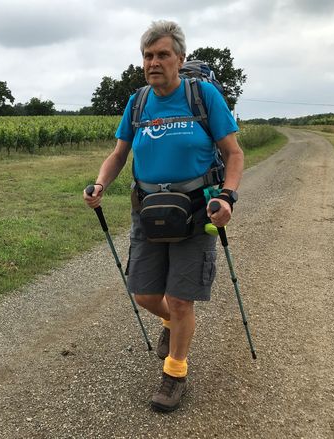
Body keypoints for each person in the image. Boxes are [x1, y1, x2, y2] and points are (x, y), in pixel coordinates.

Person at [83, 20, 243, 412]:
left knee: (181, 298)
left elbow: (235, 153)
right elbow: (119, 153)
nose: (154, 62)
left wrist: (228, 196)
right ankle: (171, 324)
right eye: (148, 56)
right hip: (148, 212)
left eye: (162, 55)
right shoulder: (137, 102)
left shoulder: (202, 97)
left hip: (194, 210)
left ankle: (175, 372)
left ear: (180, 58)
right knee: (145, 294)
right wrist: (101, 183)